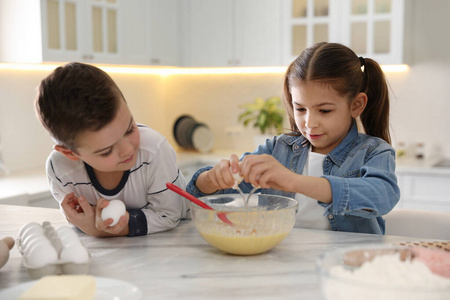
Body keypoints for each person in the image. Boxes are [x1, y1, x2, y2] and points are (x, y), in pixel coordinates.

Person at [187, 42, 400, 234]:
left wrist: (293, 181)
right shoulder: (278, 149)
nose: (310, 122)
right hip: (286, 262)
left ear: (356, 105)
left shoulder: (374, 151)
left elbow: (382, 196)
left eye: (324, 111)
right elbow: (206, 196)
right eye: (300, 109)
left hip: (347, 266)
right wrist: (211, 180)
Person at [35, 62, 190, 237]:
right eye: (106, 150)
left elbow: (169, 215)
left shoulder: (153, 150)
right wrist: (90, 222)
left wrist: (111, 229)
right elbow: (79, 219)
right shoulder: (60, 170)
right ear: (70, 153)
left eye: (129, 128)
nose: (127, 150)